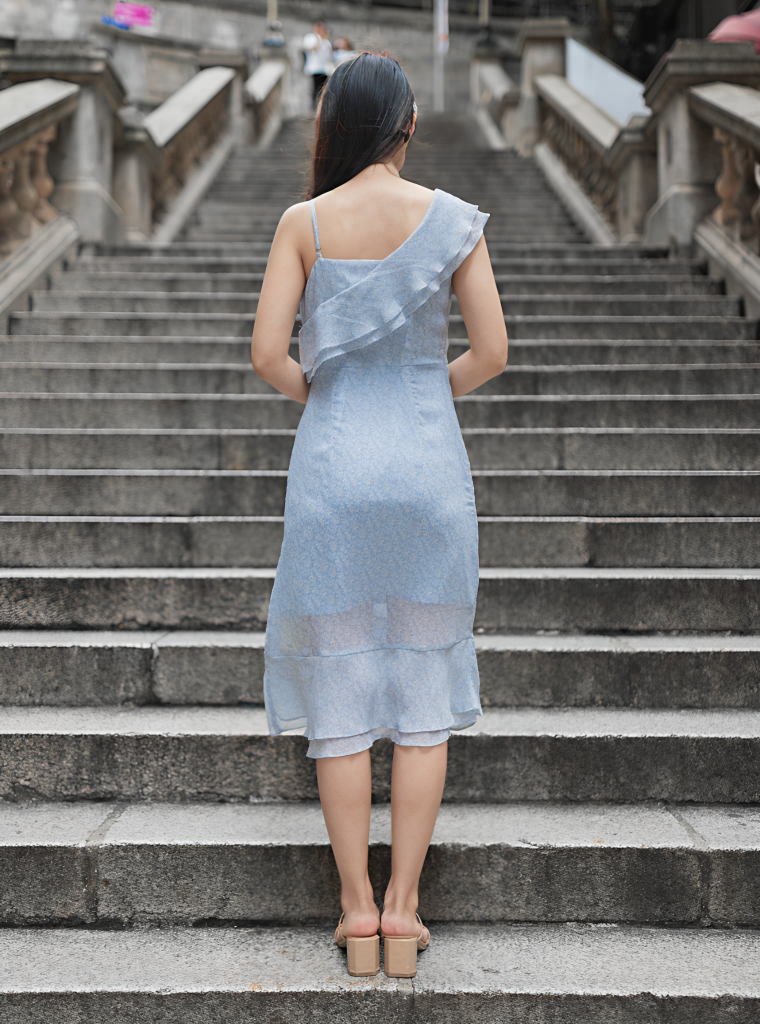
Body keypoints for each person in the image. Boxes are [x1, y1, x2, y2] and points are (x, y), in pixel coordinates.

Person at [251, 53, 508, 979]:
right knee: (424, 698)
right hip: (426, 467)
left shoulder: (305, 222)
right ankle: (405, 912)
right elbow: (493, 350)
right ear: (407, 125)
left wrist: (332, 399)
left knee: (343, 695)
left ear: (333, 127)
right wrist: (421, 395)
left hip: (336, 468)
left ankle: (356, 912)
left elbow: (267, 355)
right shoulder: (452, 220)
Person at [302, 20, 333, 107]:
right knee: (314, 89)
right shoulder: (310, 37)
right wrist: (319, 38)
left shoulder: (326, 42)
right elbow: (313, 48)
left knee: (323, 89)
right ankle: (313, 106)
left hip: (324, 69)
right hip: (314, 69)